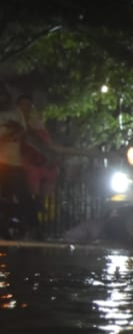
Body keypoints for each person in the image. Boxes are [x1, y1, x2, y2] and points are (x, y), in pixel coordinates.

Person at [17, 95, 60, 231]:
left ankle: (42, 211)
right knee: (32, 176)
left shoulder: (37, 124)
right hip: (22, 163)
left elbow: (47, 144)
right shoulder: (14, 121)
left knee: (49, 175)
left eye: (29, 105)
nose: (26, 108)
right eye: (23, 105)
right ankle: (34, 208)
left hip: (40, 162)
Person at [0, 87, 31, 231]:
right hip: (3, 161)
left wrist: (11, 136)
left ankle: (25, 226)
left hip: (14, 162)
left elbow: (22, 131)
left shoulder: (16, 113)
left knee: (22, 196)